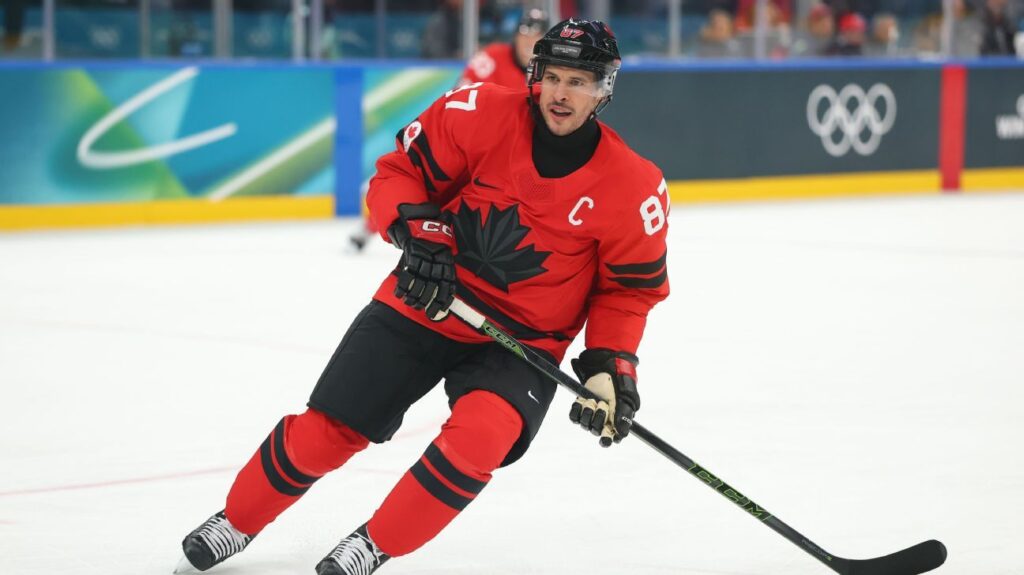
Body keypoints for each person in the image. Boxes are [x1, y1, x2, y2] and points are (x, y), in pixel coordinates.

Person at [174, 17, 670, 575]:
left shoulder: (635, 185)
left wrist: (611, 363)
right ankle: (237, 521)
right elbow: (397, 174)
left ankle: (373, 544)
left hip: (522, 341)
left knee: (480, 438)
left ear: (605, 87)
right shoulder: (478, 112)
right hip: (428, 296)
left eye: (578, 81)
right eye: (552, 76)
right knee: (330, 428)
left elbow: (628, 292)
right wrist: (418, 229)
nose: (561, 93)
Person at [349, 7, 549, 252]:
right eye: (526, 36)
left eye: (537, 38)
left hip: (510, 151)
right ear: (516, 37)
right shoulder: (491, 59)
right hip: (471, 140)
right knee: (426, 182)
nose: (530, 42)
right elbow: (461, 95)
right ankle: (374, 224)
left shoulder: (548, 72)